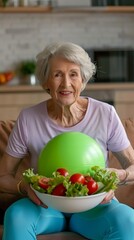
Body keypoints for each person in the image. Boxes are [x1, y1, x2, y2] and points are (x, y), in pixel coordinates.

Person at [0, 41, 134, 240]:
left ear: (83, 80)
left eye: (73, 74)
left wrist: (119, 176)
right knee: (16, 216)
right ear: (46, 82)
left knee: (128, 219)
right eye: (57, 75)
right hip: (45, 207)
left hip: (95, 208)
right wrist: (25, 187)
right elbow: (3, 175)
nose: (66, 83)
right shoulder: (28, 118)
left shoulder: (105, 114)